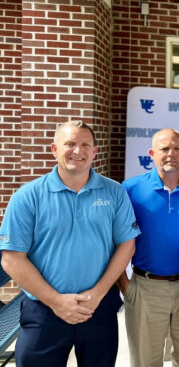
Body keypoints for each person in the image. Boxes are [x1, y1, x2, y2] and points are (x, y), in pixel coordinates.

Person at [0, 120, 139, 367]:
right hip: (44, 310)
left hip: (98, 308)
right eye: (70, 144)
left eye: (85, 144)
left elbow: (126, 245)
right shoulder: (28, 196)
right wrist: (56, 301)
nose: (78, 150)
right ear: (54, 149)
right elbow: (12, 259)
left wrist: (97, 295)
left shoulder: (114, 192)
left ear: (95, 151)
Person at [119, 128, 179, 367]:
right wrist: (126, 286)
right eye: (164, 149)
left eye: (177, 148)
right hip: (146, 287)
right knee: (144, 361)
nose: (171, 153)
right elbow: (115, 240)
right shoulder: (130, 189)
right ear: (152, 153)